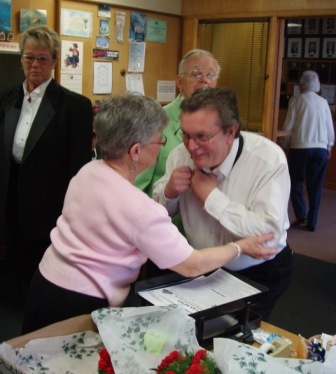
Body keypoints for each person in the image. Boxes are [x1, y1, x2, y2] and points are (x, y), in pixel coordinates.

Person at [21, 93, 277, 333]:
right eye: (159, 139)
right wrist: (240, 247)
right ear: (135, 151)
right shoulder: (140, 209)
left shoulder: (87, 172)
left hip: (45, 284)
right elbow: (191, 265)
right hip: (78, 303)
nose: (164, 146)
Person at [153, 87, 293, 321]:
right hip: (203, 267)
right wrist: (169, 193)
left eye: (202, 136)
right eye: (186, 134)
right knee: (194, 339)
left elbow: (268, 232)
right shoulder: (180, 155)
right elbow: (158, 212)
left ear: (231, 132)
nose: (191, 146)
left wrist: (211, 197)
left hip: (257, 273)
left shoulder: (268, 160)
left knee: (237, 340)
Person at [0, 26, 93, 290]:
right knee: (15, 266)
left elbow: (78, 167)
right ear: (21, 60)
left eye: (42, 58)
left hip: (49, 206)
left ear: (54, 61)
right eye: (29, 57)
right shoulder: (5, 99)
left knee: (43, 272)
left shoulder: (75, 106)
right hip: (11, 201)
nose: (35, 64)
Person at [135, 49, 220, 198]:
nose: (204, 80)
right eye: (197, 74)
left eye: (210, 75)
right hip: (162, 216)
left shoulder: (223, 123)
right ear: (179, 82)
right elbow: (136, 187)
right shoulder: (155, 120)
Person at [282, 70, 334, 232]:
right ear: (317, 85)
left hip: (300, 148)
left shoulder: (296, 100)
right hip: (320, 149)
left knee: (294, 181)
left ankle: (300, 213)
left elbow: (288, 127)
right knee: (316, 185)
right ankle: (312, 221)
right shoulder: (324, 102)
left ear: (302, 84)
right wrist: (329, 146)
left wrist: (284, 144)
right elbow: (329, 129)